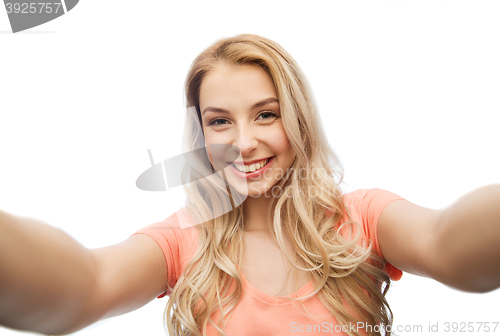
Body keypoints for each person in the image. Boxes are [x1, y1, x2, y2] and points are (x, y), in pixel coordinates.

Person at [0, 34, 499, 336]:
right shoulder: (184, 240)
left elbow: (448, 246)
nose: (243, 142)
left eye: (266, 114)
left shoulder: (362, 217)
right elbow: (85, 285)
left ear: (298, 119)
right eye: (219, 122)